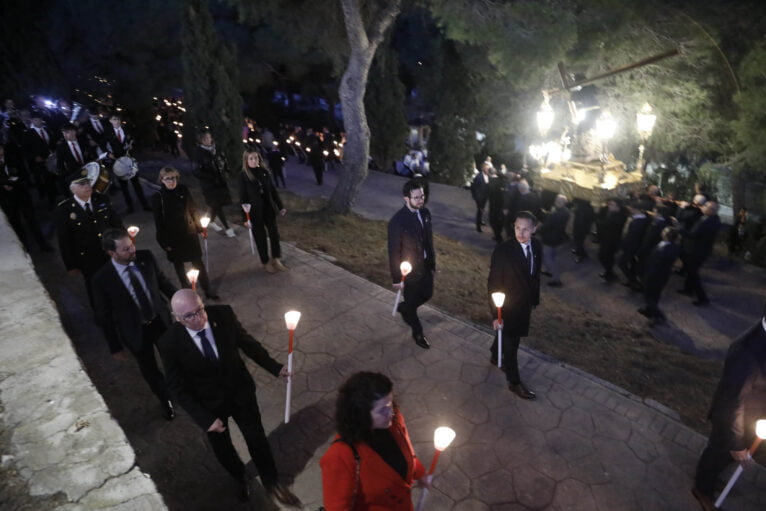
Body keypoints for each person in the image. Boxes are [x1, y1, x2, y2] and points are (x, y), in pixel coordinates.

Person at [157, 289, 301, 506]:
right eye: (189, 316)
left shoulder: (223, 315)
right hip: (209, 405)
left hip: (240, 393)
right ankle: (239, 478)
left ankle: (272, 483)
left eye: (200, 310)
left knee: (257, 439)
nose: (198, 318)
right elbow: (176, 387)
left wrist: (275, 367)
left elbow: (247, 343)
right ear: (177, 318)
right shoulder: (169, 343)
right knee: (223, 448)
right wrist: (205, 419)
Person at [91, 228, 177, 420]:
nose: (132, 251)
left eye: (131, 246)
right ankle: (165, 400)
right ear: (112, 253)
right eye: (125, 250)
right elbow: (105, 316)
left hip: (159, 321)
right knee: (149, 369)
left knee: (173, 358)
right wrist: (115, 347)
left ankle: (182, 390)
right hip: (135, 330)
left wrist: (182, 301)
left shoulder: (146, 258)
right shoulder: (102, 279)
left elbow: (162, 282)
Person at [691, 302, 766, 511]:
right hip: (733, 422)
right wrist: (737, 444)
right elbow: (732, 401)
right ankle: (702, 488)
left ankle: (711, 477)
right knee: (718, 453)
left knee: (727, 457)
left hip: (755, 418)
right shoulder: (748, 352)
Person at [320, 372, 427, 511]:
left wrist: (420, 473)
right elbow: (338, 507)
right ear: (361, 414)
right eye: (382, 410)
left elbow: (407, 452)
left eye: (390, 404)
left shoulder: (393, 421)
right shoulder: (341, 456)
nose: (391, 412)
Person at [488, 210, 542, 399]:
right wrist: (496, 314)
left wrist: (534, 299)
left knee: (508, 339)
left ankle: (495, 354)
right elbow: (494, 283)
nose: (520, 233)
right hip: (507, 306)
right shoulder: (504, 250)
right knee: (512, 345)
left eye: (525, 229)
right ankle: (514, 382)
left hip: (524, 305)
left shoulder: (536, 246)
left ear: (534, 229)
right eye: (517, 228)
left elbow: (534, 276)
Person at [151, 166, 218, 299]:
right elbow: (158, 221)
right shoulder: (158, 197)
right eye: (168, 178)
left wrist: (200, 228)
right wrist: (164, 242)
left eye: (174, 178)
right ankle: (187, 291)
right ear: (162, 180)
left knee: (197, 262)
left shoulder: (183, 190)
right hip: (173, 237)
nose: (172, 181)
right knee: (179, 265)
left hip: (189, 233)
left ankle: (207, 288)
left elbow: (192, 209)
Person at [55, 175, 123, 305]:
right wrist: (71, 265)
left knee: (117, 281)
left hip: (110, 252)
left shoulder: (101, 199)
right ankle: (101, 315)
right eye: (82, 184)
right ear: (73, 189)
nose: (87, 186)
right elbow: (64, 240)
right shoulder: (65, 209)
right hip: (88, 258)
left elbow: (116, 224)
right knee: (95, 287)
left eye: (88, 183)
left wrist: (125, 244)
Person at [388, 180, 435, 349]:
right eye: (416, 197)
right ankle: (418, 332)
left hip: (426, 266)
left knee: (427, 294)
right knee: (412, 303)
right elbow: (393, 251)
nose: (420, 200)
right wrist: (396, 277)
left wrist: (432, 262)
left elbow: (428, 240)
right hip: (409, 271)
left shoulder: (426, 213)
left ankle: (405, 308)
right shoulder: (397, 221)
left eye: (422, 196)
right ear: (406, 198)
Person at [239, 148, 287, 273]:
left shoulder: (264, 172)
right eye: (251, 158)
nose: (254, 160)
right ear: (246, 160)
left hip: (268, 208)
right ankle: (265, 261)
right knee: (260, 237)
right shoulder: (244, 176)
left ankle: (276, 258)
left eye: (256, 158)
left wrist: (280, 206)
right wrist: (245, 218)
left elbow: (272, 191)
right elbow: (243, 198)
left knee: (274, 234)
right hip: (254, 212)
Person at [0, 144, 53, 252]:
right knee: (16, 224)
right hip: (7, 199)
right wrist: (4, 185)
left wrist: (13, 184)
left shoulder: (12, 158)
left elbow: (23, 174)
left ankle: (43, 245)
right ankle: (25, 248)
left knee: (32, 221)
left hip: (21, 194)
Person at [105, 112, 151, 214]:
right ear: (110, 121)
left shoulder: (127, 130)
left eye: (118, 119)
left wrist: (132, 146)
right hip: (118, 163)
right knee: (124, 187)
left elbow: (135, 140)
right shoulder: (107, 132)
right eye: (114, 120)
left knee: (136, 184)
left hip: (130, 161)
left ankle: (145, 204)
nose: (117, 122)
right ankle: (130, 207)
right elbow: (104, 146)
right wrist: (109, 154)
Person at [678, 200, 721, 306]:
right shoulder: (714, 219)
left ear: (711, 210)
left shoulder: (706, 221)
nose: (703, 207)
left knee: (693, 273)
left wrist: (680, 229)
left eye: (705, 206)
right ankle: (687, 289)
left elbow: (692, 234)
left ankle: (703, 298)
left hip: (697, 251)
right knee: (690, 270)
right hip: (701, 250)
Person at [193, 130, 236, 237]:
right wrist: (210, 177)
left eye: (209, 137)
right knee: (217, 204)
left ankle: (211, 221)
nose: (208, 140)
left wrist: (227, 171)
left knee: (216, 205)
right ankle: (227, 228)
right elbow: (196, 171)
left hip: (220, 182)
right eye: (205, 139)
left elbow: (224, 161)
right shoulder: (199, 153)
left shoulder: (217, 149)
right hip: (209, 185)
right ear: (201, 141)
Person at [638, 227, 680, 325]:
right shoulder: (674, 246)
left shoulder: (665, 249)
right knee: (655, 295)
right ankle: (649, 311)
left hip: (655, 275)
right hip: (662, 275)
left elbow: (656, 263)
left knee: (648, 295)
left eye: (664, 231)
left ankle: (658, 315)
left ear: (665, 235)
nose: (662, 232)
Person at [539, 194, 569, 287]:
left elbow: (546, 226)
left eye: (558, 201)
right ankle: (549, 271)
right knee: (552, 256)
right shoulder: (566, 212)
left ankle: (556, 279)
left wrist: (540, 226)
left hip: (549, 238)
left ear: (562, 202)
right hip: (558, 237)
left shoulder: (554, 214)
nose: (556, 202)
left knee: (548, 258)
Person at [596, 198, 627, 282]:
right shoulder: (611, 211)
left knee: (605, 256)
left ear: (618, 207)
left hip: (612, 240)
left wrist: (597, 215)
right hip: (605, 238)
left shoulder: (621, 216)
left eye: (612, 205)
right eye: (609, 204)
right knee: (604, 256)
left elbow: (605, 224)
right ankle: (609, 272)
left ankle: (609, 273)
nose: (609, 206)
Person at [470, 162, 490, 232]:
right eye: (486, 168)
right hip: (479, 198)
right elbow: (474, 188)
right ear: (483, 168)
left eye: (488, 168)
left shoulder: (488, 176)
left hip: (485, 197)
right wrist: (476, 199)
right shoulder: (478, 177)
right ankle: (478, 226)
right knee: (479, 210)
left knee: (482, 210)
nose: (488, 170)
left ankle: (480, 221)